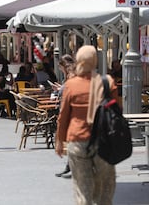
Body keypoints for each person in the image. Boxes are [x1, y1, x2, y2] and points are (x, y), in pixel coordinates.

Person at [55, 45, 117, 205]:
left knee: (82, 189)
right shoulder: (107, 83)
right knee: (105, 188)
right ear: (95, 61)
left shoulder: (71, 84)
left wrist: (59, 140)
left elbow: (63, 116)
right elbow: (116, 113)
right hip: (103, 142)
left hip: (77, 141)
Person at [53, 54, 76, 178]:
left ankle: (73, 167)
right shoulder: (74, 73)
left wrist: (60, 89)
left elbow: (69, 90)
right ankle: (70, 166)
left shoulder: (71, 74)